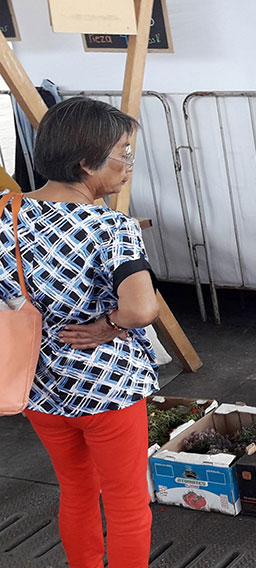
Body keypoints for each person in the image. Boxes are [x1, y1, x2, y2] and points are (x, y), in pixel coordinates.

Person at [0, 97, 160, 567]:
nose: (129, 165)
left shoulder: (4, 214)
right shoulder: (110, 226)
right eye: (124, 154)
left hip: (38, 386)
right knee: (128, 503)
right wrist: (106, 326)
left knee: (75, 492)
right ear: (87, 162)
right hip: (108, 387)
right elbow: (141, 307)